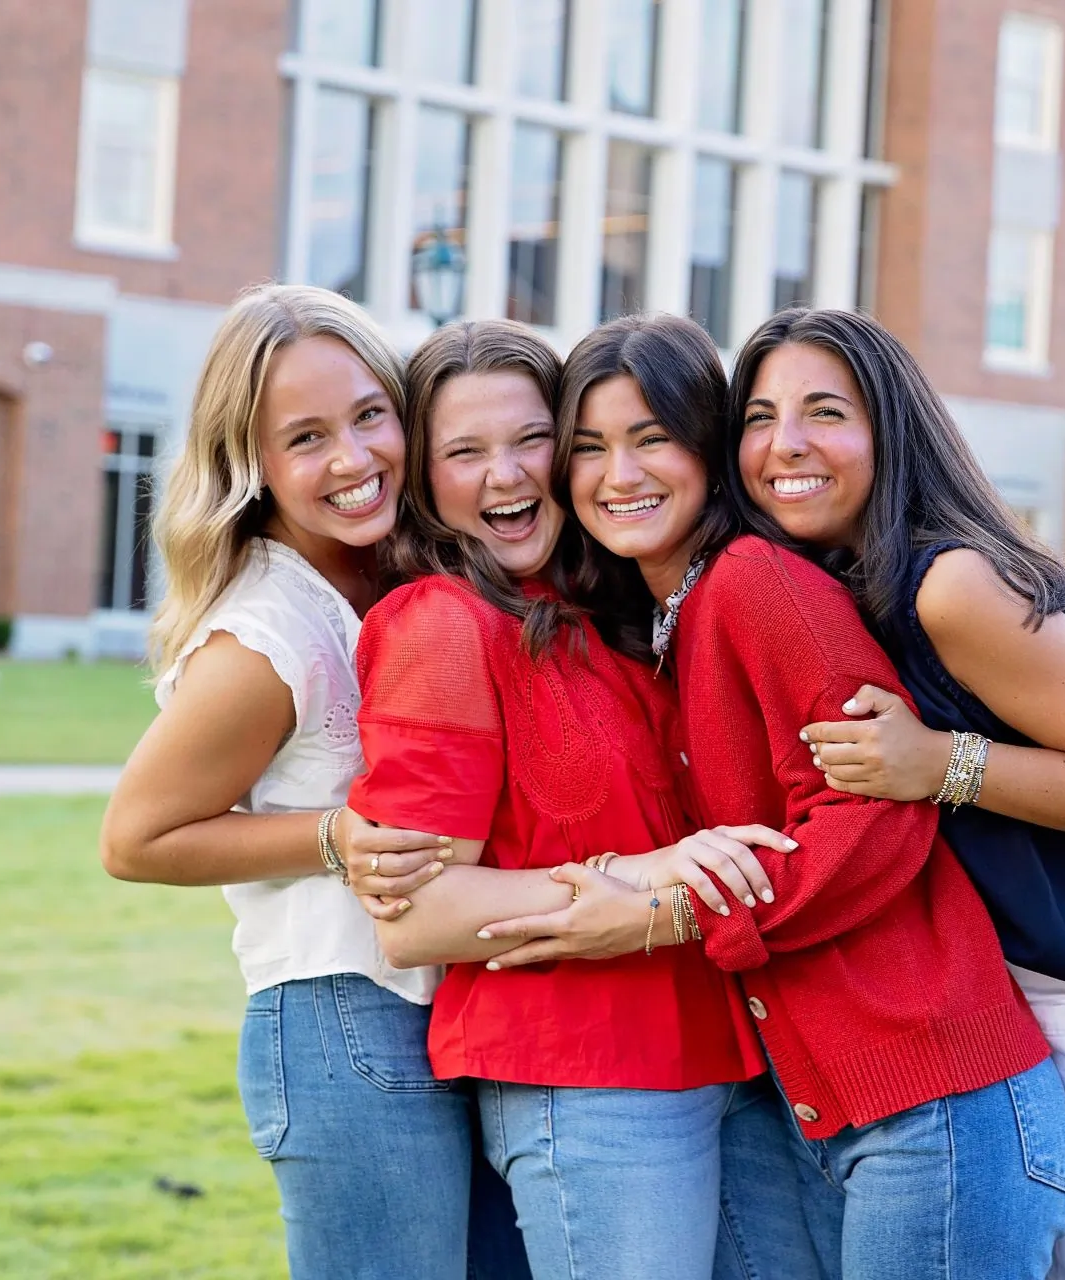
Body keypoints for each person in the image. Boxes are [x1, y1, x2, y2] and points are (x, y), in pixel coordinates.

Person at [478, 314, 1065, 1280]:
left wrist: (666, 919)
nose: (617, 474)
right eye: (588, 447)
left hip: (934, 1109)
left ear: (709, 451)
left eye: (651, 438)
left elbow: (874, 814)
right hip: (810, 1110)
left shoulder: (757, 584)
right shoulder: (662, 622)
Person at [728, 307, 1065, 1280]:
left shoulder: (950, 584)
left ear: (892, 430)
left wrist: (941, 763)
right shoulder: (827, 587)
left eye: (823, 411)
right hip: (991, 1016)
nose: (783, 443)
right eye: (758, 415)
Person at [341, 318, 822, 1280]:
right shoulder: (440, 625)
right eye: (464, 452)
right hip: (583, 1076)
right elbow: (419, 914)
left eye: (530, 441)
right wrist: (641, 883)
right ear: (426, 481)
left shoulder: (607, 622)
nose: (507, 476)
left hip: (730, 1057)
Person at [97, 285, 524, 1280]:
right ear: (253, 464)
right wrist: (334, 833)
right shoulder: (267, 635)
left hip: (457, 1010)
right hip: (344, 1020)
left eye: (370, 415)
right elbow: (135, 837)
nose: (353, 457)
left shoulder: (404, 572)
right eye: (306, 437)